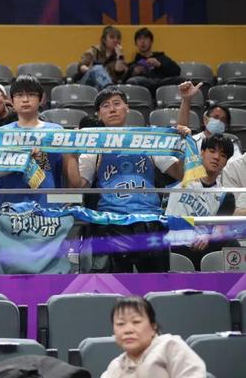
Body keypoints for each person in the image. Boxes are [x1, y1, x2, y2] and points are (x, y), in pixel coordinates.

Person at [66, 87, 190, 273]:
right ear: (99, 114)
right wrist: (71, 154)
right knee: (112, 286)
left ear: (127, 107)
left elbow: (180, 173)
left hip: (149, 221)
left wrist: (183, 143)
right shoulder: (93, 148)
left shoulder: (148, 140)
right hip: (111, 223)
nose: (112, 109)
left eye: (117, 103)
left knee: (155, 284)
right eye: (106, 106)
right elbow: (77, 187)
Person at [0, 75, 70, 208]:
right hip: (10, 207)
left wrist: (74, 151)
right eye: (19, 95)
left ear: (41, 99)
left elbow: (71, 182)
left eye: (31, 94)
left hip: (49, 208)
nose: (25, 99)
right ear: (11, 100)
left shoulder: (57, 132)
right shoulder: (1, 134)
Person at [165, 135, 241, 270]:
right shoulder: (182, 178)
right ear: (202, 153)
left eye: (223, 155)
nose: (216, 157)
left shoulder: (225, 196)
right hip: (175, 244)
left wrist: (208, 237)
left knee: (232, 243)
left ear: (225, 162)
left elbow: (220, 231)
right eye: (212, 151)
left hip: (202, 246)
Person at [102, 296, 206, 378]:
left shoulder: (170, 346)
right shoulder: (115, 367)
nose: (128, 330)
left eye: (136, 322)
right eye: (120, 324)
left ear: (153, 327)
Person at [125, 27, 181, 95]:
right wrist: (133, 73)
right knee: (133, 80)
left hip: (161, 85)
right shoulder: (134, 63)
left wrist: (159, 64)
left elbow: (177, 71)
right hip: (143, 88)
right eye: (139, 39)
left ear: (151, 41)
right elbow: (124, 80)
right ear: (136, 43)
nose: (142, 41)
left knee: (182, 80)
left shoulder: (161, 57)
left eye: (145, 38)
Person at [75, 25, 127, 89]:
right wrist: (94, 71)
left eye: (118, 38)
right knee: (97, 68)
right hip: (88, 85)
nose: (115, 40)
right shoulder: (94, 51)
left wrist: (120, 56)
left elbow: (119, 73)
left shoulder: (119, 56)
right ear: (104, 40)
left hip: (105, 85)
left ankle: (108, 89)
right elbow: (81, 66)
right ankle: (109, 89)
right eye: (112, 37)